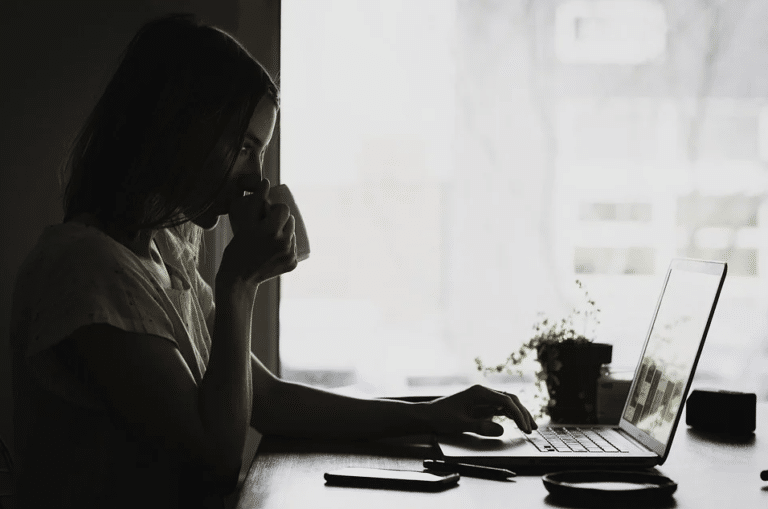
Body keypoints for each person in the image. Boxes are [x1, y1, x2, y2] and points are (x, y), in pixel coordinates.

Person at [9, 13, 537, 509]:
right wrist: (239, 284)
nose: (256, 178)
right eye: (243, 146)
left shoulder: (164, 255)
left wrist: (432, 413)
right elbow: (213, 458)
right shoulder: (87, 270)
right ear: (175, 130)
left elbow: (268, 400)